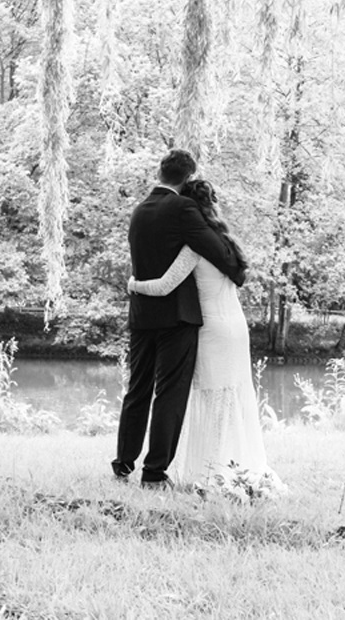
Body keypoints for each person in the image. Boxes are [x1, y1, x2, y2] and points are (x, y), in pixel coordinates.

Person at [128, 179, 282, 495]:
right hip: (236, 327)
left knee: (210, 396)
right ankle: (236, 462)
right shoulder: (225, 243)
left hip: (211, 328)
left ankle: (212, 468)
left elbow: (165, 285)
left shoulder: (194, 248)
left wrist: (134, 285)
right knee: (233, 395)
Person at [113, 150, 246, 489]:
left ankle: (123, 465)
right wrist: (236, 269)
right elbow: (216, 249)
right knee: (170, 395)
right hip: (176, 318)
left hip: (142, 314)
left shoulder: (139, 211)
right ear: (188, 177)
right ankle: (154, 473)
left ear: (160, 172)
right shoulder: (184, 208)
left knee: (137, 390)